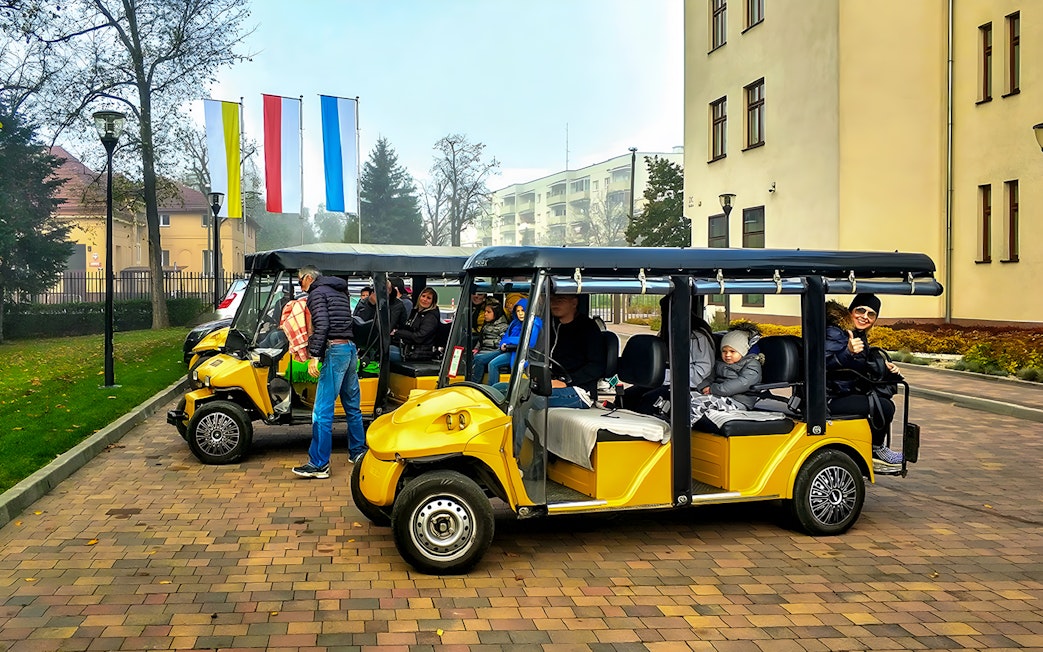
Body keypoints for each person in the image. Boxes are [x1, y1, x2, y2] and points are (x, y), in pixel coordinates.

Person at [291, 266, 366, 479]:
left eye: (300, 281)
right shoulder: (340, 290)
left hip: (335, 350)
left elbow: (322, 325)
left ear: (308, 278)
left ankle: (319, 464)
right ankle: (358, 452)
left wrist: (314, 356)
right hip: (350, 349)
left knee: (322, 411)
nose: (300, 286)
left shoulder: (316, 293)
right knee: (353, 407)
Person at [826, 293, 903, 466]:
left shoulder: (857, 333)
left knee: (881, 400)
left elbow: (859, 365)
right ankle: (876, 449)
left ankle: (868, 446)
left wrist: (885, 368)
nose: (865, 317)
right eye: (860, 310)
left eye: (871, 314)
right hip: (828, 397)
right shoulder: (836, 332)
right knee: (885, 407)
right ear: (850, 311)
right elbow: (823, 362)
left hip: (841, 392)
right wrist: (847, 352)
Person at [623, 296, 715, 417]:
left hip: (688, 385)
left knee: (648, 401)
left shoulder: (697, 337)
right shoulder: (665, 333)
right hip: (665, 381)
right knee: (627, 396)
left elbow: (701, 372)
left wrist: (666, 376)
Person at [546, 293, 605, 408]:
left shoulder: (588, 328)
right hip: (554, 383)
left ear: (574, 303)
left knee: (530, 399)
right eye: (552, 299)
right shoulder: (551, 326)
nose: (555, 303)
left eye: (561, 299)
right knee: (512, 391)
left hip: (580, 390)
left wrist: (566, 381)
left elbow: (597, 366)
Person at [691, 325, 764, 414]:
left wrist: (714, 389)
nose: (727, 355)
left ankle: (684, 423)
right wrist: (703, 387)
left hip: (738, 401)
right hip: (717, 395)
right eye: (724, 351)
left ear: (743, 351)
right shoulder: (720, 362)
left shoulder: (752, 364)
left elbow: (743, 383)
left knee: (698, 405)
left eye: (732, 351)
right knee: (686, 398)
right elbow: (710, 377)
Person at [390, 286, 442, 363]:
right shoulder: (415, 312)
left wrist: (397, 333)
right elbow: (407, 329)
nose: (424, 299)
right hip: (408, 349)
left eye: (428, 298)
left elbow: (419, 337)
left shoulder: (431, 317)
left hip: (420, 354)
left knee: (385, 352)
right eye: (423, 296)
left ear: (433, 302)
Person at [468, 299, 512, 383]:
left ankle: (474, 383)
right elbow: (481, 340)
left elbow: (503, 344)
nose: (485, 314)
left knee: (478, 359)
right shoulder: (486, 325)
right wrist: (476, 349)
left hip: (496, 351)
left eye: (488, 312)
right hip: (484, 351)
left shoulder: (503, 327)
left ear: (496, 313)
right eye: (485, 311)